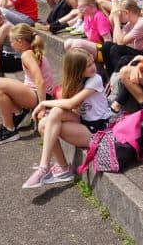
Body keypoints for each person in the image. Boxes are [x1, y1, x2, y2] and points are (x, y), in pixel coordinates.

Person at [22, 48, 111, 188]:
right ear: (77, 69)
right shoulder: (78, 81)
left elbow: (71, 103)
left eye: (92, 63)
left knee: (52, 116)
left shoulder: (96, 79)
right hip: (85, 123)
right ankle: (62, 168)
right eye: (88, 65)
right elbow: (71, 107)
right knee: (45, 123)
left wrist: (44, 103)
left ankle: (43, 167)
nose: (93, 67)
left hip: (98, 130)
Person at [0, 24, 55, 145]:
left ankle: (9, 130)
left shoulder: (27, 54)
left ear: (20, 41)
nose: (11, 44)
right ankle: (19, 113)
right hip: (33, 92)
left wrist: (42, 107)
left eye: (12, 41)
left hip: (40, 96)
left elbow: (40, 81)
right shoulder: (29, 52)